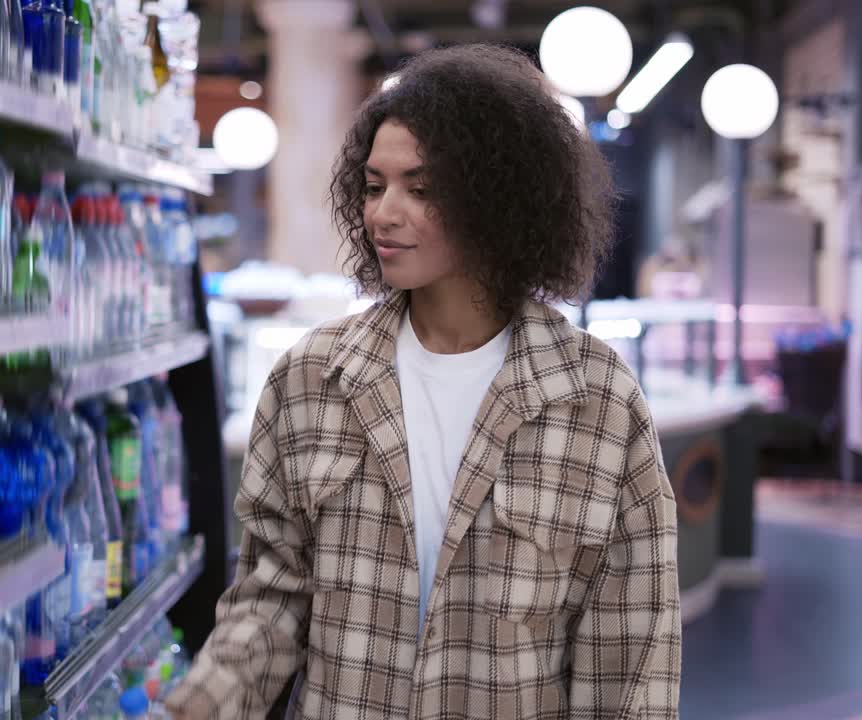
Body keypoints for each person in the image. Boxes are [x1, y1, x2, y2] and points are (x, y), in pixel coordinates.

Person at [166, 44, 681, 719]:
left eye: (422, 187)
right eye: (375, 186)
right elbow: (269, 603)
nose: (384, 212)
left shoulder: (596, 400)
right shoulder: (311, 379)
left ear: (496, 199)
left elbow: (630, 662)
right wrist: (190, 710)